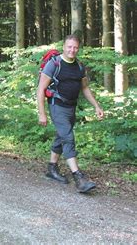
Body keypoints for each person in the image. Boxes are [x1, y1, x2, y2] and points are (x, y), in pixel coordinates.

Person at [37, 34, 104, 193]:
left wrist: (97, 106)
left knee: (62, 136)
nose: (72, 50)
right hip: (57, 106)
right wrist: (42, 113)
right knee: (68, 137)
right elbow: (41, 89)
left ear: (78, 48)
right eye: (69, 47)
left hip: (71, 107)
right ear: (64, 46)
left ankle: (52, 168)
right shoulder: (55, 64)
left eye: (75, 47)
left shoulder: (79, 66)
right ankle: (78, 178)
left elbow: (85, 88)